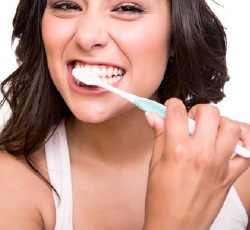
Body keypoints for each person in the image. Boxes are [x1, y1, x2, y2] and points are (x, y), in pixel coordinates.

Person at [0, 0, 250, 229]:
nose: (87, 37)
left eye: (127, 8)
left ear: (176, 34)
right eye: (68, 5)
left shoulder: (242, 168)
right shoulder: (10, 184)